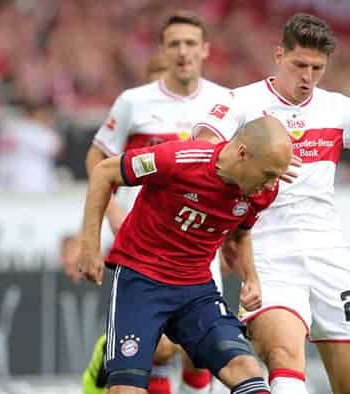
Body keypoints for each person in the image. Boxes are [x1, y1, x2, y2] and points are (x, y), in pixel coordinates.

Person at [193, 12, 350, 394]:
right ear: (278, 56)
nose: (307, 77)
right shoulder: (241, 103)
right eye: (299, 65)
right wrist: (252, 159)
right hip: (269, 256)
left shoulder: (339, 110)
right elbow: (202, 150)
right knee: (284, 357)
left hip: (330, 260)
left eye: (317, 68)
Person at [79, 115, 292, 394]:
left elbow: (238, 235)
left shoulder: (262, 192)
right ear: (242, 153)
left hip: (195, 290)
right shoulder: (178, 160)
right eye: (268, 174)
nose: (271, 184)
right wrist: (89, 245)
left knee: (248, 370)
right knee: (128, 388)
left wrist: (251, 277)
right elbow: (104, 172)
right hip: (141, 280)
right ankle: (106, 360)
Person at [83, 11, 231, 394]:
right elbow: (97, 158)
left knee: (199, 351)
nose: (182, 52)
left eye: (190, 44)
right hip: (143, 242)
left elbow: (232, 176)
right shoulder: (134, 102)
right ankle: (111, 361)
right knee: (160, 347)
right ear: (162, 50)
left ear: (205, 50)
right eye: (174, 44)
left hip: (197, 245)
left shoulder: (226, 104)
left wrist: (232, 241)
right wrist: (112, 211)